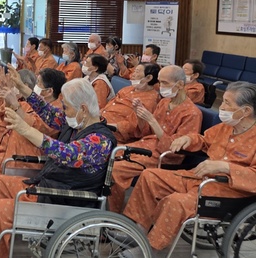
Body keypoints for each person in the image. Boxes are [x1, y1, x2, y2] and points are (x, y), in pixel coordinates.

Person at [0, 78, 117, 258]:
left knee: (1, 209)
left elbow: (65, 153)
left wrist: (25, 129)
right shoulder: (78, 123)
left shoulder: (100, 142)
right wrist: (22, 88)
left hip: (66, 201)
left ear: (83, 109)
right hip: (52, 187)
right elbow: (47, 112)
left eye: (66, 107)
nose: (63, 111)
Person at [122, 82, 256, 255]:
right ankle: (139, 230)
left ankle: (150, 248)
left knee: (175, 201)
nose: (221, 107)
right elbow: (204, 140)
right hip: (199, 178)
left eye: (227, 103)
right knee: (150, 176)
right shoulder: (226, 127)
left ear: (246, 111)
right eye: (222, 101)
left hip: (228, 192)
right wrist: (189, 139)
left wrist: (225, 167)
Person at [108, 65, 203, 213]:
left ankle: (113, 214)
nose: (160, 86)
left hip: (163, 156)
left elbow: (173, 149)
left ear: (180, 85)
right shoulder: (165, 102)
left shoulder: (192, 113)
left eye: (165, 83)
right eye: (160, 82)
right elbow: (145, 132)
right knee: (108, 155)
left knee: (115, 169)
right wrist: (140, 115)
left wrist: (152, 120)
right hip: (146, 145)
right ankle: (101, 206)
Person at [101, 63, 160, 144]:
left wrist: (106, 125)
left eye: (137, 72)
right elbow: (109, 105)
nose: (132, 75)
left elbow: (134, 126)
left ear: (148, 78)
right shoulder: (127, 89)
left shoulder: (150, 100)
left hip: (112, 133)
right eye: (134, 71)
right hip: (101, 122)